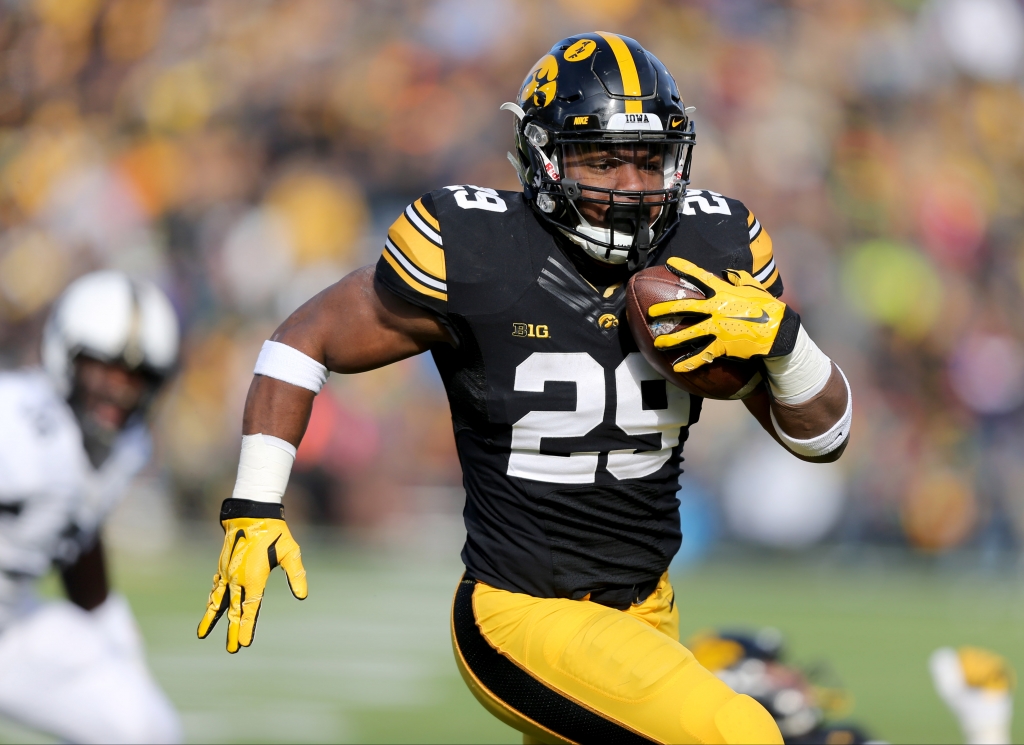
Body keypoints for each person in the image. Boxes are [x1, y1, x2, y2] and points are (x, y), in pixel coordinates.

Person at [198, 32, 852, 745]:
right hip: (521, 612)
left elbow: (823, 437)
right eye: (602, 158)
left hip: (645, 609)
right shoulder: (478, 247)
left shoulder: (714, 251)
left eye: (647, 159)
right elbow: (305, 337)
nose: (629, 186)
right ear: (543, 158)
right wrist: (254, 503)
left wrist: (787, 342)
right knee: (740, 734)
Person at [0, 271, 182, 744]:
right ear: (67, 355)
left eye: (137, 377)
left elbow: (75, 531)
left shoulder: (126, 446)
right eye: (106, 369)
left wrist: (109, 627)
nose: (121, 390)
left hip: (11, 625)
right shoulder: (17, 424)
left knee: (146, 728)